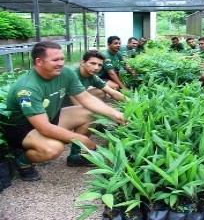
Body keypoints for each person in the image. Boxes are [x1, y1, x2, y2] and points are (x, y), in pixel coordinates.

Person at [1, 41, 127, 181]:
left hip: (48, 117)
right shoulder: (27, 88)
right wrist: (81, 139)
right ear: (39, 61)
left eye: (62, 59)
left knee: (91, 113)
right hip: (23, 129)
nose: (61, 63)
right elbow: (44, 128)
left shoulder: (65, 73)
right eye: (55, 60)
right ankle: (22, 161)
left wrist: (115, 114)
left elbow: (86, 98)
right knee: (54, 148)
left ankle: (75, 156)